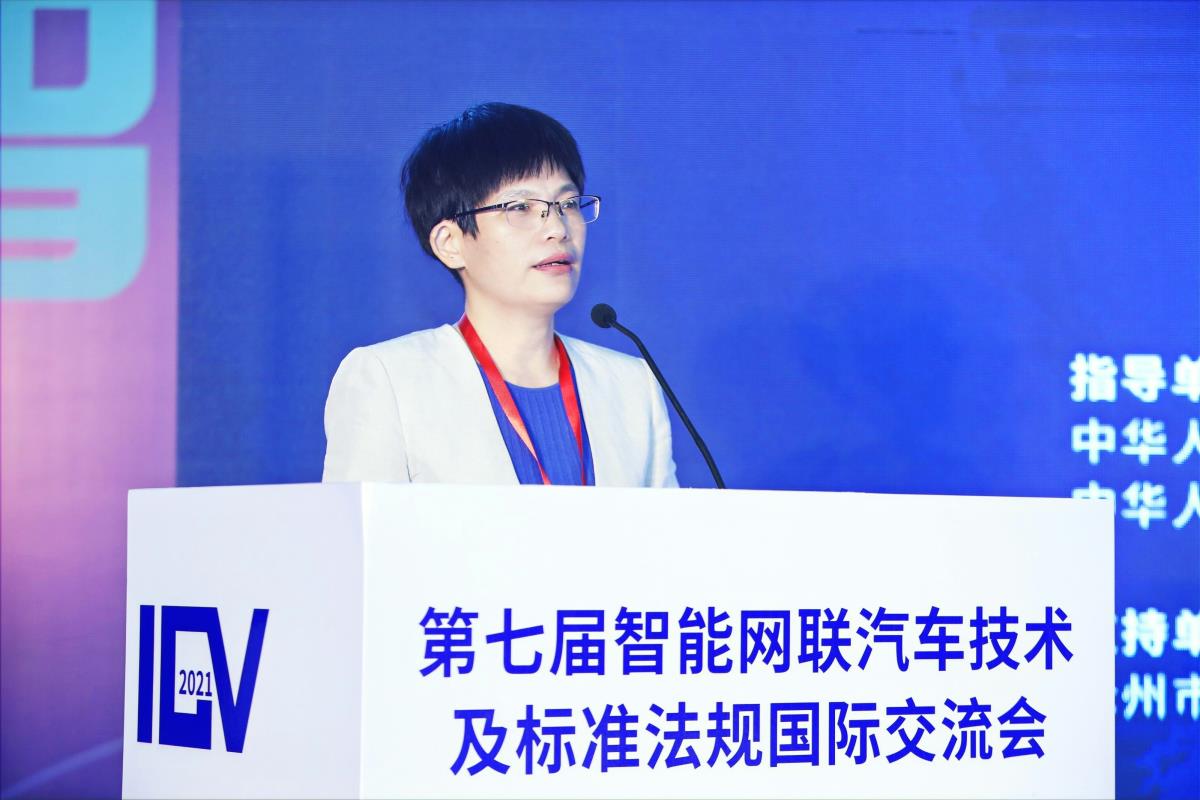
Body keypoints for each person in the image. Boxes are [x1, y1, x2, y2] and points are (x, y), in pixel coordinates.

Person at [322, 103, 678, 487]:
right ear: (450, 243)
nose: (558, 228)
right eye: (520, 207)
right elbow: (357, 527)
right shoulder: (390, 380)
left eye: (568, 204)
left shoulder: (632, 386)